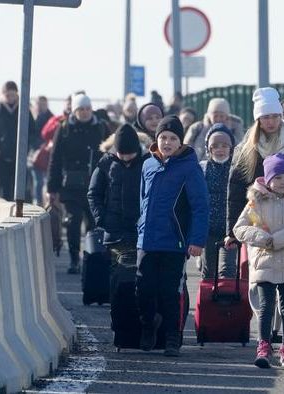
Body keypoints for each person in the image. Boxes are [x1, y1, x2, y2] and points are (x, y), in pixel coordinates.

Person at [136, 115, 209, 357]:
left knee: (170, 292)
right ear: (156, 139)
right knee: (143, 289)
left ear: (180, 142)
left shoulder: (190, 167)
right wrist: (140, 228)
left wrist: (197, 240)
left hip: (175, 242)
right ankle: (147, 326)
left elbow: (200, 206)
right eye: (163, 137)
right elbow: (143, 201)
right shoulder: (148, 164)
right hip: (147, 240)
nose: (167, 142)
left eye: (172, 138)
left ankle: (172, 337)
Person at [233, 153, 284, 368]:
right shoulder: (255, 203)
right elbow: (240, 228)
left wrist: (279, 239)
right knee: (266, 306)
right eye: (277, 178)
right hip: (264, 261)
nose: (283, 182)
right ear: (268, 179)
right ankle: (264, 346)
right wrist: (261, 238)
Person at [225, 87, 284, 248]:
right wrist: (232, 232)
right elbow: (235, 190)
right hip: (258, 221)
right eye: (265, 117)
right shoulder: (247, 148)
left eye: (275, 116)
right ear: (258, 120)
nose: (271, 122)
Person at [47, 93, 108, 274]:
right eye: (81, 109)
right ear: (74, 110)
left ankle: (90, 258)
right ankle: (74, 259)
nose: (85, 112)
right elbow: (55, 159)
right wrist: (52, 188)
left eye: (88, 108)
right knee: (73, 222)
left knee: (94, 224)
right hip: (71, 186)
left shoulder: (101, 127)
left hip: (95, 184)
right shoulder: (64, 128)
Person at [87, 124, 147, 267]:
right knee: (116, 274)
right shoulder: (105, 164)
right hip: (113, 232)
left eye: (130, 154)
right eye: (122, 154)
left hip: (140, 231)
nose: (126, 158)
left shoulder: (147, 163)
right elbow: (94, 194)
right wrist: (102, 219)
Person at [0, 81, 36, 200]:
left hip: (20, 158)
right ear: (3, 95)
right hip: (0, 157)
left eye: (12, 94)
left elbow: (33, 132)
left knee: (19, 190)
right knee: (3, 189)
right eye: (7, 95)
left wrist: (26, 146)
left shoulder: (24, 111)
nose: (10, 98)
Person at [198, 123, 237, 279]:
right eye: (215, 146)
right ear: (209, 149)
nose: (220, 150)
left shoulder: (236, 169)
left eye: (224, 146)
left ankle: (228, 302)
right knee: (208, 271)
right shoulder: (203, 168)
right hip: (209, 229)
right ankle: (208, 302)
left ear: (231, 148)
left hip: (231, 229)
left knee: (228, 271)